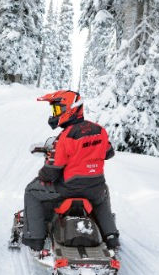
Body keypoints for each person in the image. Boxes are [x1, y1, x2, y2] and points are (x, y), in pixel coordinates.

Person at [21, 90, 120, 251]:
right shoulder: (99, 130)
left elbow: (52, 171)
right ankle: (111, 236)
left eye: (58, 109)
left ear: (72, 109)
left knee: (31, 190)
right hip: (95, 188)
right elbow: (109, 152)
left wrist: (42, 175)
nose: (56, 114)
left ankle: (34, 239)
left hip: (69, 189)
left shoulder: (66, 136)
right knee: (104, 192)